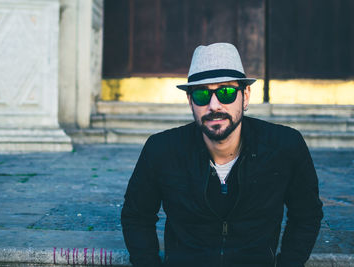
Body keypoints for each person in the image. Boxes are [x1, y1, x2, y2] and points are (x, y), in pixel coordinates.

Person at [121, 43, 323, 267]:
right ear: (190, 102)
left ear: (245, 95)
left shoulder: (284, 146)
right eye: (201, 94)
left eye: (226, 92)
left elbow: (307, 214)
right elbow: (137, 216)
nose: (214, 105)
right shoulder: (162, 149)